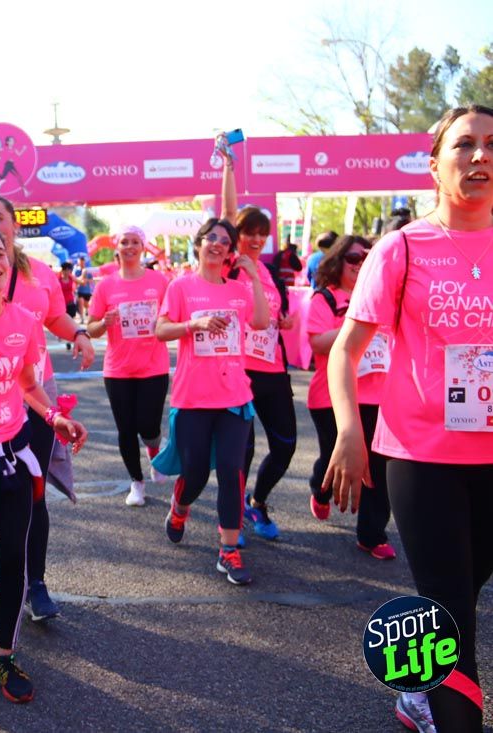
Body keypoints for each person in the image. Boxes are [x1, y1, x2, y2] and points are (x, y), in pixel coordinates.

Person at [325, 105, 493, 733]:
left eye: (491, 145)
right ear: (435, 163)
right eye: (464, 145)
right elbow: (345, 348)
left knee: (458, 596)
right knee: (453, 618)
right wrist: (349, 431)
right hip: (423, 461)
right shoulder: (401, 248)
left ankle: (414, 689)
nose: (480, 156)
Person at [0, 225, 87, 704]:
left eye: (0, 252)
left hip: (8, 458)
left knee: (11, 562)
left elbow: (27, 383)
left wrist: (54, 416)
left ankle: (3, 656)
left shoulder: (24, 321)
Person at [0, 194, 95, 623]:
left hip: (34, 397)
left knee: (32, 496)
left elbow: (55, 317)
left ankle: (34, 582)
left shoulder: (37, 272)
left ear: (14, 226)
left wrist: (78, 333)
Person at [154, 218, 269, 585]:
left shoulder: (239, 290)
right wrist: (194, 325)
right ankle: (180, 506)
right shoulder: (181, 287)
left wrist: (253, 279)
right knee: (197, 473)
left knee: (233, 472)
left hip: (235, 397)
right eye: (211, 238)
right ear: (199, 244)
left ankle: (228, 550)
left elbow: (263, 322)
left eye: (225, 240)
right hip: (193, 398)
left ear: (230, 252)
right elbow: (160, 331)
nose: (217, 244)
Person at [221, 145, 297, 541]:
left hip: (274, 371)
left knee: (285, 445)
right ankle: (233, 518)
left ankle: (258, 501)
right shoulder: (233, 264)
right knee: (242, 452)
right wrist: (229, 168)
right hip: (240, 372)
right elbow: (227, 216)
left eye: (261, 233)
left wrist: (283, 320)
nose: (255, 238)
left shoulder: (268, 272)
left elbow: (271, 318)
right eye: (249, 231)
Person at [305, 236, 394, 559]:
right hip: (331, 396)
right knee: (334, 455)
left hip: (378, 394)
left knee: (377, 466)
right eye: (354, 258)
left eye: (367, 258)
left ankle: (372, 535)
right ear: (339, 260)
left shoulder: (383, 297)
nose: (360, 264)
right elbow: (317, 342)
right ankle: (321, 488)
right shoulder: (325, 299)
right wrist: (357, 328)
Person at [86, 225, 170, 507]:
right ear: (116, 247)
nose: (130, 246)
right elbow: (92, 328)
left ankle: (154, 449)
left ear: (143, 247)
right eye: (125, 242)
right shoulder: (106, 285)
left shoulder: (159, 281)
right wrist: (104, 323)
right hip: (118, 369)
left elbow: (172, 317)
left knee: (148, 424)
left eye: (135, 242)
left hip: (153, 366)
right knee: (125, 429)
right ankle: (137, 482)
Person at [74, 255, 94, 321]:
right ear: (78, 262)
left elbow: (91, 280)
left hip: (87, 291)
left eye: (82, 262)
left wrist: (86, 280)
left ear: (84, 262)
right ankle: (82, 318)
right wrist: (81, 277)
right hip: (79, 290)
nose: (81, 263)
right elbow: (74, 279)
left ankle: (87, 310)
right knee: (81, 303)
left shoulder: (88, 270)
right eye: (80, 262)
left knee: (86, 304)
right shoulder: (76, 271)